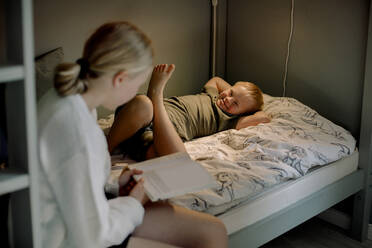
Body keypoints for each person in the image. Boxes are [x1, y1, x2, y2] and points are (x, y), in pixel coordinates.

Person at [38, 21, 227, 248]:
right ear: (120, 79)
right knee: (211, 233)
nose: (135, 91)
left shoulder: (69, 99)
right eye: (137, 83)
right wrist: (133, 203)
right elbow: (91, 236)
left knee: (207, 227)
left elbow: (74, 184)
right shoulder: (79, 131)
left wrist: (115, 188)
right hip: (68, 236)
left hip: (77, 217)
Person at [107, 71, 271, 161]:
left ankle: (154, 99)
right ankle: (107, 149)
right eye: (230, 93)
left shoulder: (230, 121)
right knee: (144, 103)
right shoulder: (211, 95)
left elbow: (263, 117)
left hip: (158, 134)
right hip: (143, 115)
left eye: (235, 104)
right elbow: (216, 79)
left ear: (242, 113)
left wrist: (248, 106)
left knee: (171, 159)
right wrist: (238, 94)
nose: (228, 99)